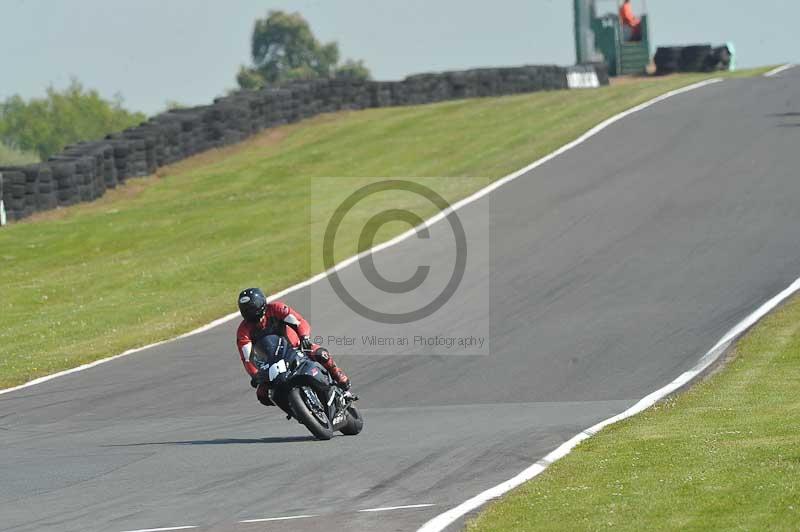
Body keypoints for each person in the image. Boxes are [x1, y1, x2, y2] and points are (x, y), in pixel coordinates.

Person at [235, 287, 351, 407]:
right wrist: (255, 375)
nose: (250, 311)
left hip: (295, 348)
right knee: (262, 394)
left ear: (262, 303)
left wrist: (304, 337)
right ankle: (293, 407)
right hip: (271, 363)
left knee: (320, 354)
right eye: (246, 309)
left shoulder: (276, 308)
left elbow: (299, 322)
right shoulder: (243, 330)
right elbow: (246, 357)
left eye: (252, 307)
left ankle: (339, 377)